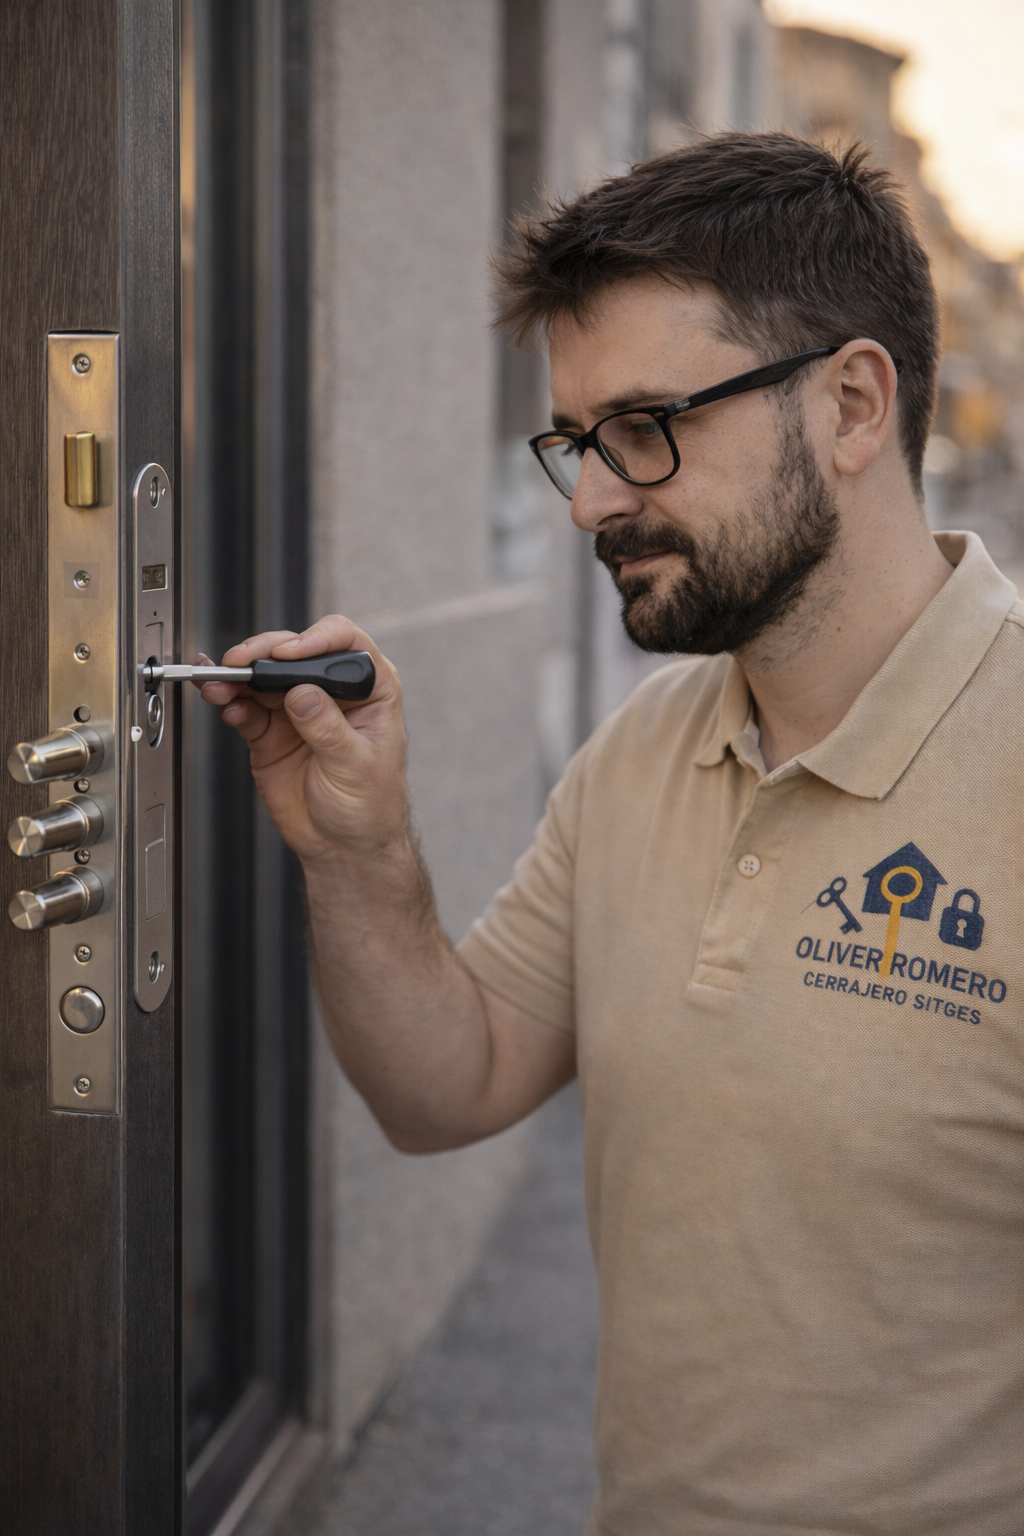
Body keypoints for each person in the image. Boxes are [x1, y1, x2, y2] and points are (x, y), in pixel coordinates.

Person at [198, 135, 1024, 1535]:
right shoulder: (645, 747)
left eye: (645, 428)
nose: (590, 501)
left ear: (851, 405)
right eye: (576, 443)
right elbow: (447, 1088)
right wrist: (358, 850)